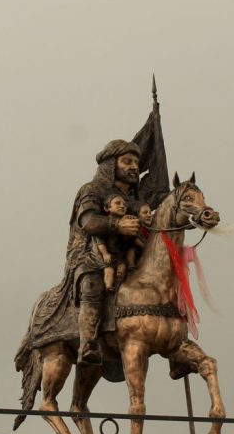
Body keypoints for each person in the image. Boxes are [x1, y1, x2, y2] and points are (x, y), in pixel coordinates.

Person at [14, 139, 142, 373]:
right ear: (111, 164)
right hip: (90, 252)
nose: (133, 166)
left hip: (126, 256)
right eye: (127, 161)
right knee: (93, 284)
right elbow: (89, 222)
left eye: (136, 162)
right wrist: (118, 225)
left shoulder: (134, 201)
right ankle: (88, 344)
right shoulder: (92, 190)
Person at [90, 191, 131, 293]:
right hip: (107, 254)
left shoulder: (124, 222)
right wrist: (105, 253)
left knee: (122, 267)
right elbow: (100, 241)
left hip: (119, 253)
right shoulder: (103, 225)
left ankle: (119, 282)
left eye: (124, 205)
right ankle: (108, 286)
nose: (122, 206)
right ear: (107, 208)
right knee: (109, 270)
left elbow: (126, 241)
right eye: (117, 203)